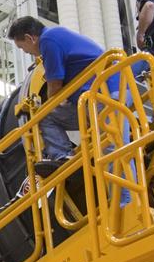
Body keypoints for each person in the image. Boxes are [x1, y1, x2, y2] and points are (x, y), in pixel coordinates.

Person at [7, 16, 117, 176]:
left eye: (23, 48)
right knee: (110, 147)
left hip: (101, 93)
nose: (27, 52)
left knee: (111, 150)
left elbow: (54, 84)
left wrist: (53, 102)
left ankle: (63, 156)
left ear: (29, 38)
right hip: (99, 94)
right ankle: (63, 158)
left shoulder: (48, 40)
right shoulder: (57, 35)